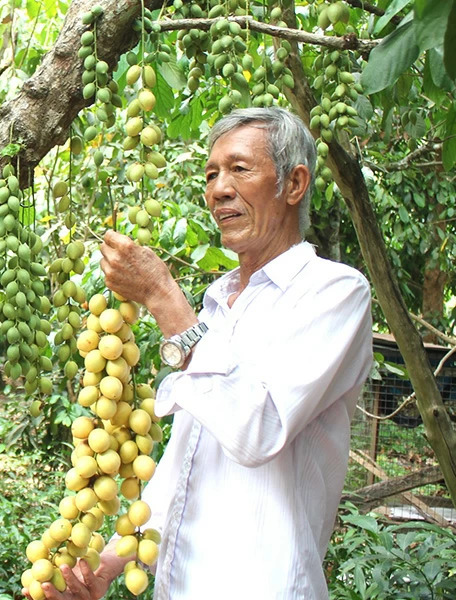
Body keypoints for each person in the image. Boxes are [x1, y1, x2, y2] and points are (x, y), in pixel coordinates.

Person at [33, 107, 372, 599]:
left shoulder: (334, 293)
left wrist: (163, 297)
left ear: (294, 184)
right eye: (211, 174)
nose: (218, 189)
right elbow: (186, 463)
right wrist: (110, 561)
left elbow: (261, 428)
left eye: (239, 169)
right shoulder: (217, 302)